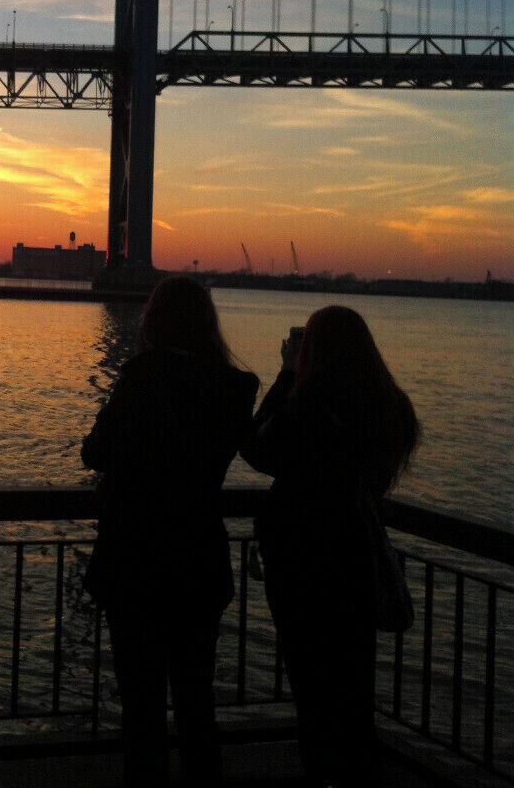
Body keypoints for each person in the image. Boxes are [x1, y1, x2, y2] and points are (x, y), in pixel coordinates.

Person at [81, 276, 259, 787]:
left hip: (135, 563)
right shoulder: (235, 388)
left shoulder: (141, 377)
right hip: (200, 562)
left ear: (154, 321)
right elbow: (257, 450)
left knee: (141, 706)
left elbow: (95, 451)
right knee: (197, 701)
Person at [241, 306, 421, 787]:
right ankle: (356, 771)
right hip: (355, 555)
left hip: (300, 561)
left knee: (310, 678)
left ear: (312, 351)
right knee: (352, 677)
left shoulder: (309, 407)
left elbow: (256, 448)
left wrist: (286, 375)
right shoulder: (387, 407)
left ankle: (324, 772)